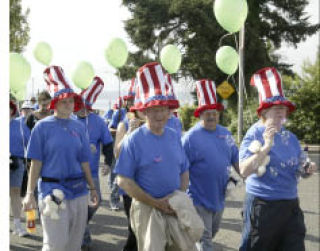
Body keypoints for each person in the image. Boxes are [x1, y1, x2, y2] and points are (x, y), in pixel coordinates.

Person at [238, 67, 318, 251]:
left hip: (290, 206)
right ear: (264, 112)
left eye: (284, 109)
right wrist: (266, 146)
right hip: (263, 205)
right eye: (276, 109)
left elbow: (300, 164)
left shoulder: (290, 137)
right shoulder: (254, 134)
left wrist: (307, 167)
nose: (282, 113)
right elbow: (243, 170)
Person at [115, 62, 192, 251]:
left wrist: (177, 199)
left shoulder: (174, 136)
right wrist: (155, 203)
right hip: (147, 209)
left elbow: (184, 171)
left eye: (164, 109)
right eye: (155, 109)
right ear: (145, 112)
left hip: (173, 207)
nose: (160, 114)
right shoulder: (134, 140)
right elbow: (123, 181)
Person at [22, 65, 99, 251]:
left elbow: (84, 161)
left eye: (71, 101)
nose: (69, 105)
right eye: (64, 101)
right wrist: (30, 193)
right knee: (55, 244)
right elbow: (36, 162)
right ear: (54, 103)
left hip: (79, 191)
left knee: (74, 244)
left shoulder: (79, 127)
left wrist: (93, 187)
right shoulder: (42, 127)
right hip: (52, 191)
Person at [182, 79, 240, 251]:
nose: (211, 115)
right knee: (206, 241)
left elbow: (236, 160)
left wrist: (248, 176)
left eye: (214, 112)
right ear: (200, 114)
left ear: (219, 114)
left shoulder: (225, 134)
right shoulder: (190, 138)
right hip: (197, 199)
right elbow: (180, 168)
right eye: (207, 112)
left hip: (219, 198)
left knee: (211, 233)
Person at [75, 76, 114, 250]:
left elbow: (107, 143)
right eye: (81, 107)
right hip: (73, 172)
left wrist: (107, 162)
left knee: (95, 202)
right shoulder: (69, 120)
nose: (83, 111)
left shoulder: (98, 121)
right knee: (78, 206)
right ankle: (83, 239)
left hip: (92, 172)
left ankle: (79, 226)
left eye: (86, 108)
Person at [113, 77, 144, 251]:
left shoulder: (153, 124)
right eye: (131, 100)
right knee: (134, 230)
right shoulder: (124, 124)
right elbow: (117, 153)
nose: (133, 103)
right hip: (130, 186)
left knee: (147, 231)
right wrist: (129, 134)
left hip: (149, 185)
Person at [10, 100, 30, 237]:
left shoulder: (21, 125)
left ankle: (17, 225)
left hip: (17, 162)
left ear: (12, 110)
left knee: (16, 193)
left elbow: (30, 142)